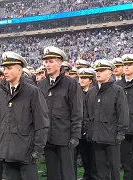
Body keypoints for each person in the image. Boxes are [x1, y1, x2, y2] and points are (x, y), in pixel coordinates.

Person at [0, 51, 49, 180]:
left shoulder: (32, 92)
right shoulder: (2, 93)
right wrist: (0, 143)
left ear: (19, 71)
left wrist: (38, 149)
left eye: (9, 68)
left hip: (26, 153)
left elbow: (41, 123)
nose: (5, 71)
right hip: (7, 152)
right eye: (4, 68)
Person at [38, 46, 83, 180]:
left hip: (65, 137)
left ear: (60, 63)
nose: (47, 64)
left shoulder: (71, 83)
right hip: (48, 137)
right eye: (46, 61)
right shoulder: (41, 85)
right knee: (52, 173)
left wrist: (75, 135)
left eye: (51, 61)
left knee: (67, 173)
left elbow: (77, 110)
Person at [84, 59, 129, 180]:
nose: (98, 73)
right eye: (97, 71)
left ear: (109, 73)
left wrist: (121, 132)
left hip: (112, 136)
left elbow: (123, 113)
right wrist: (88, 130)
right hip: (96, 136)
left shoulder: (117, 90)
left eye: (102, 70)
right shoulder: (91, 92)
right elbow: (86, 114)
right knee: (101, 168)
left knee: (114, 168)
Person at [77, 68, 98, 180]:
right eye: (81, 78)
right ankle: (87, 174)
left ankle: (94, 175)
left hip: (92, 128)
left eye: (85, 78)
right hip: (80, 128)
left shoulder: (96, 92)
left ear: (90, 80)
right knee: (84, 154)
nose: (82, 80)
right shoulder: (76, 92)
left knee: (93, 155)